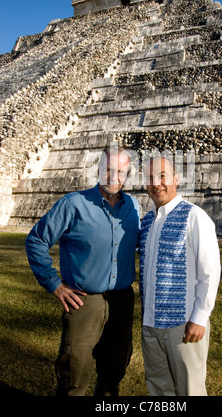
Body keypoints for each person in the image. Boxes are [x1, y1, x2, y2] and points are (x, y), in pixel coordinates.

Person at [25, 145, 140, 396]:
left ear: (128, 175)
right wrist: (54, 283)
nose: (114, 177)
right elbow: (36, 240)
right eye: (108, 170)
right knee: (74, 375)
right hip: (84, 302)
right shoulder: (73, 204)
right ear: (98, 170)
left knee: (114, 371)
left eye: (121, 172)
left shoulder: (134, 207)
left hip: (122, 301)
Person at [139, 156, 221, 396]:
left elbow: (210, 270)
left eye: (163, 176)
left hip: (183, 325)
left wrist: (200, 316)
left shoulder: (194, 216)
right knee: (159, 389)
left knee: (190, 390)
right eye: (150, 178)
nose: (157, 183)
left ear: (176, 179)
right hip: (150, 323)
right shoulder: (147, 222)